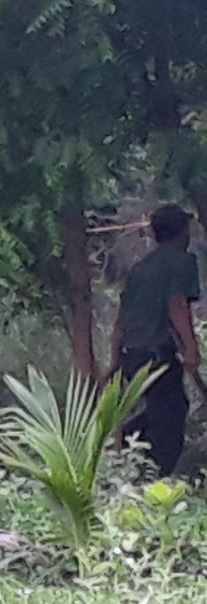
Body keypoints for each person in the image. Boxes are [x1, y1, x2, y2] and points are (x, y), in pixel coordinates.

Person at [115, 205, 200, 480]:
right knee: (170, 417)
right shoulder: (182, 261)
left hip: (132, 354)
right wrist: (191, 349)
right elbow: (177, 305)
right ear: (182, 231)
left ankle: (130, 449)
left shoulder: (141, 268)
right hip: (156, 354)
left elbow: (121, 318)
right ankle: (156, 477)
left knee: (158, 408)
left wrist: (115, 360)